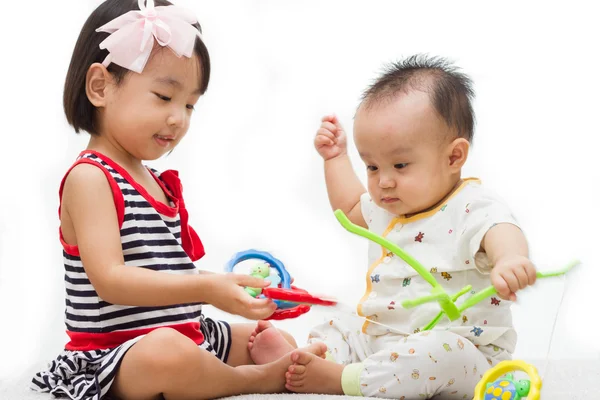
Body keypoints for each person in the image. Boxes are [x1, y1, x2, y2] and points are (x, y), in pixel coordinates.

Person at [31, 1, 325, 399]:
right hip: (118, 355)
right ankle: (255, 380)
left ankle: (265, 364)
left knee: (266, 337)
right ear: (101, 86)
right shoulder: (91, 178)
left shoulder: (155, 182)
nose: (179, 119)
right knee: (167, 354)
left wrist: (224, 284)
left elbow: (167, 270)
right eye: (163, 97)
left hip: (187, 335)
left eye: (190, 105)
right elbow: (112, 282)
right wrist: (205, 291)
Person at [285, 55, 537, 399]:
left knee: (438, 353)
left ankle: (343, 380)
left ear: (453, 157)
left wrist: (509, 259)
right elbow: (349, 207)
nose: (383, 182)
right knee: (340, 324)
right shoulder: (391, 207)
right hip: (381, 338)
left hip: (464, 355)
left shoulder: (472, 205)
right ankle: (312, 359)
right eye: (372, 167)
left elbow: (500, 228)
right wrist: (336, 159)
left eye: (399, 165)